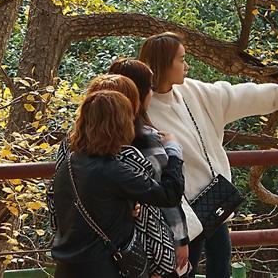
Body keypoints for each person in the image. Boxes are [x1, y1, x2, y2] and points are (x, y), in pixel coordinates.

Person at [140, 32, 278, 278]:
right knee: (184, 270)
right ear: (164, 64)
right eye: (182, 59)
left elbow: (233, 96)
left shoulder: (191, 90)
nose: (187, 66)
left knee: (221, 263)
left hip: (213, 198)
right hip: (181, 210)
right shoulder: (143, 108)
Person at [50, 88, 185, 278]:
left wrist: (125, 208)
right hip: (104, 268)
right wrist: (173, 149)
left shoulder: (70, 163)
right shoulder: (113, 170)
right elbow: (169, 194)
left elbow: (89, 206)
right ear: (120, 124)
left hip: (67, 268)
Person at [110, 58, 191, 277]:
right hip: (149, 247)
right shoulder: (145, 138)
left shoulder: (82, 143)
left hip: (105, 247)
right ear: (139, 93)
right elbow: (167, 195)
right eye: (150, 88)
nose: (152, 93)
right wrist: (181, 239)